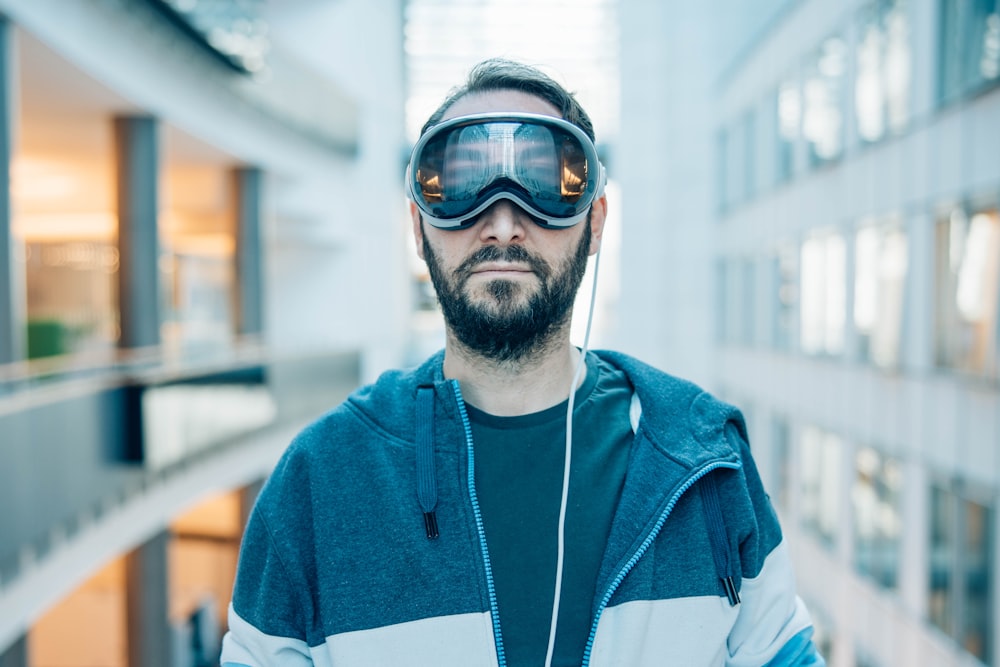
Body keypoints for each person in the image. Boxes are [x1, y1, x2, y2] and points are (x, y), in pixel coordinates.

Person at [221, 58, 825, 667]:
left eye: (542, 184)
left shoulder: (704, 460)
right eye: (460, 186)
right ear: (418, 227)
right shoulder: (322, 479)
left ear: (595, 223)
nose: (503, 223)